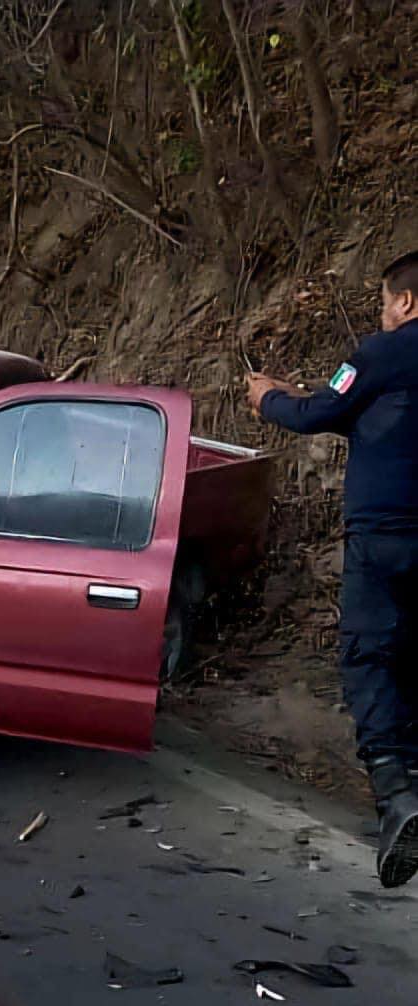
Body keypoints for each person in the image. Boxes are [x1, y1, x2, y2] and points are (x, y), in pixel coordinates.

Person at [247, 251, 418, 887]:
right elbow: (378, 422)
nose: (381, 312)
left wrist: (269, 400)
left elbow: (321, 412)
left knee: (368, 657)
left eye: (384, 300)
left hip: (384, 537)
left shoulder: (379, 353)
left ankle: (398, 795)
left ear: (406, 302)